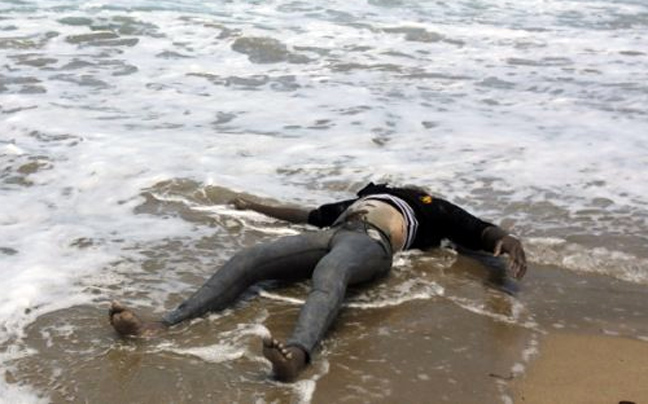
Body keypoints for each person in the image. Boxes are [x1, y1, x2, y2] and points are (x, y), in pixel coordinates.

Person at [109, 182, 527, 382]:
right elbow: (306, 214)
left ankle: (296, 356)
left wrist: (508, 242)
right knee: (249, 258)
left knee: (331, 272)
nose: (399, 185)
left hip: (372, 244)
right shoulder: (359, 200)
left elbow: (477, 228)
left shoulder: (428, 205)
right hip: (333, 233)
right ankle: (160, 325)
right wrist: (252, 204)